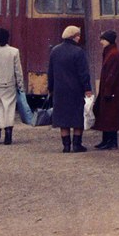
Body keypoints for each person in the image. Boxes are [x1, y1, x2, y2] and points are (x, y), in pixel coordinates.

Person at [47, 25, 92, 153]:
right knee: (77, 118)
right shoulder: (78, 52)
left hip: (60, 90)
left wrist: (50, 88)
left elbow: (50, 72)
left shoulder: (55, 51)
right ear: (73, 37)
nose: (79, 38)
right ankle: (77, 145)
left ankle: (66, 146)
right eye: (78, 35)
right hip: (75, 90)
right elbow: (84, 73)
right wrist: (87, 88)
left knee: (63, 119)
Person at [92, 30, 119, 150]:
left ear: (108, 40)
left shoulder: (113, 54)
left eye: (103, 39)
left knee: (109, 117)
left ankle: (111, 141)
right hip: (108, 90)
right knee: (107, 116)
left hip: (110, 91)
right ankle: (107, 140)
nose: (101, 42)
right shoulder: (111, 52)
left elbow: (111, 75)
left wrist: (107, 91)